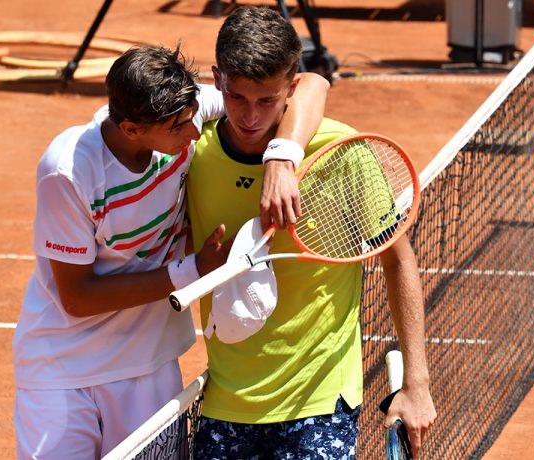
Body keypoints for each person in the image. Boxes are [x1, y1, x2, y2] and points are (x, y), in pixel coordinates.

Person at [11, 43, 329, 459]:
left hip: (150, 366)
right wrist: (193, 270)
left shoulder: (181, 110)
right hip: (62, 371)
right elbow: (76, 297)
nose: (196, 133)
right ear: (131, 130)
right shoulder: (68, 171)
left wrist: (280, 158)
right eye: (180, 128)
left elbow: (311, 83)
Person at [187, 6, 437, 459]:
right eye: (238, 98)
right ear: (218, 79)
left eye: (267, 100)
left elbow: (397, 259)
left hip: (319, 401)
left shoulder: (341, 151)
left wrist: (417, 384)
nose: (250, 117)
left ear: (292, 85)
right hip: (226, 403)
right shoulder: (195, 156)